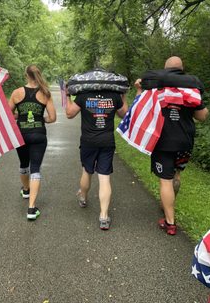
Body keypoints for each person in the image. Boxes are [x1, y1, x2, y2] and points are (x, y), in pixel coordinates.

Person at [135, 56, 208, 235]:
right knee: (176, 175)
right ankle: (168, 205)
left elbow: (138, 108)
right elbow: (202, 116)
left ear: (165, 69)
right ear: (181, 69)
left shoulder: (155, 88)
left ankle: (170, 223)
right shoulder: (191, 91)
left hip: (163, 142)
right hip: (185, 141)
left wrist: (138, 89)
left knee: (165, 180)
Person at [66, 87, 128, 230]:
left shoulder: (83, 95)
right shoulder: (114, 95)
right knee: (104, 177)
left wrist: (68, 96)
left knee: (87, 171)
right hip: (107, 141)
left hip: (88, 141)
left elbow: (69, 114)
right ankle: (104, 217)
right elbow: (124, 114)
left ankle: (83, 198)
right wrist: (123, 96)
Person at [9, 64, 56, 220]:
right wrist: (40, 119)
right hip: (38, 135)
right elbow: (53, 118)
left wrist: (20, 116)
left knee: (24, 164)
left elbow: (9, 114)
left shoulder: (16, 93)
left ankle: (26, 189)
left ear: (26, 75)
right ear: (38, 74)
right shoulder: (45, 93)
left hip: (21, 135)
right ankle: (31, 208)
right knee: (35, 168)